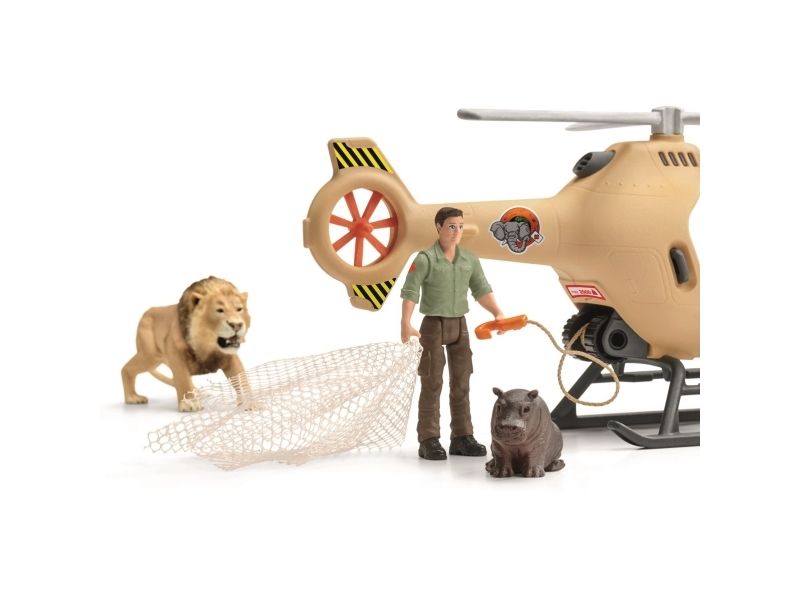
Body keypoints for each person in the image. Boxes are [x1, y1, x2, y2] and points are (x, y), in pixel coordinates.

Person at [400, 207, 505, 460]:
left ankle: (462, 436)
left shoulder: (469, 259)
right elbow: (411, 291)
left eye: (460, 226)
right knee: (432, 382)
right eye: (451, 226)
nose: (457, 231)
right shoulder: (425, 259)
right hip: (432, 325)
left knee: (462, 381)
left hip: (460, 324)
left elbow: (481, 289)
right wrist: (405, 322)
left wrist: (497, 313)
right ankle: (428, 438)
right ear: (438, 227)